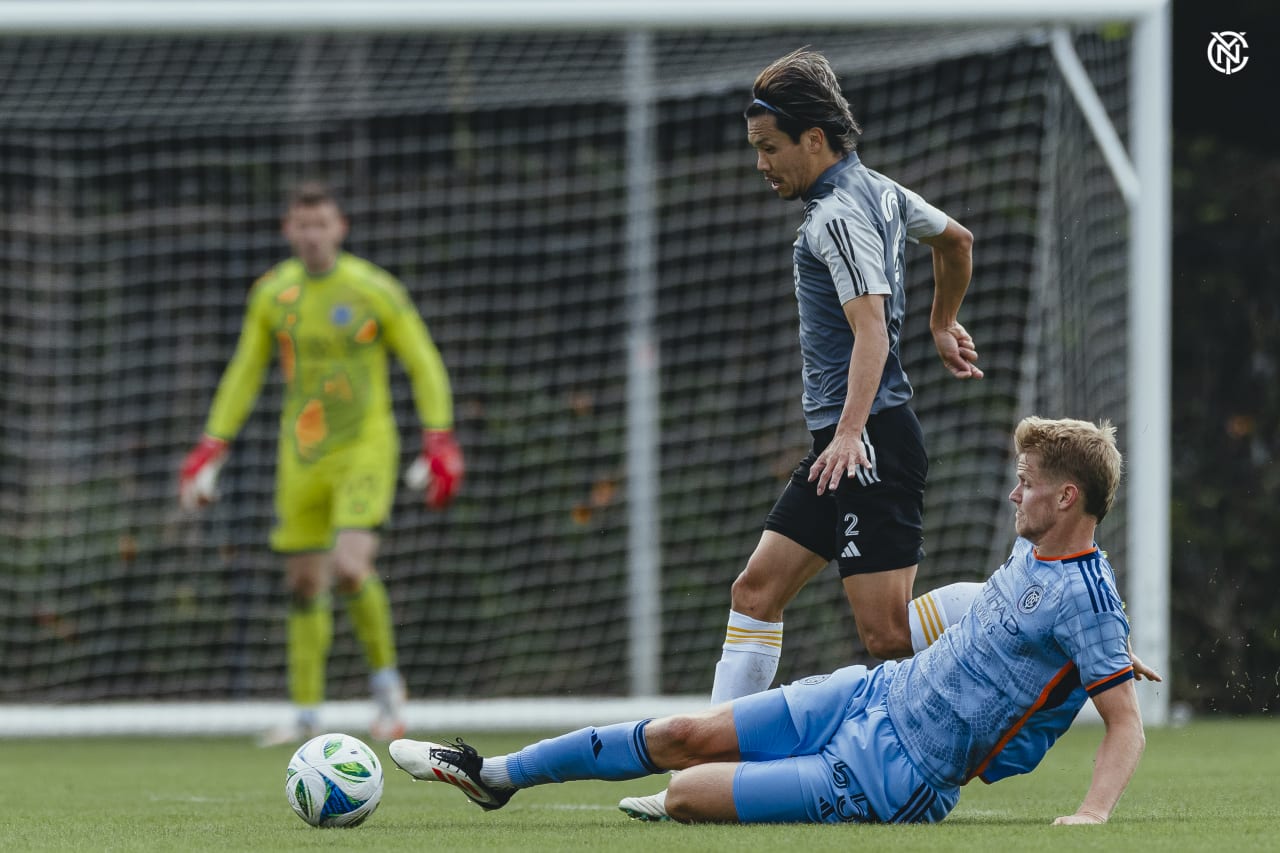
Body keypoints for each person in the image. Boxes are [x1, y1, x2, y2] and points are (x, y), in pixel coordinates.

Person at [390, 417, 1154, 826]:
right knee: (684, 735)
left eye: (1026, 485)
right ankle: (496, 776)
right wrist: (1100, 651)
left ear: (1066, 500)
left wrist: (1090, 814)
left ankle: (744, 792)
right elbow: (997, 621)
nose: (1012, 496)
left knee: (688, 793)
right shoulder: (1043, 565)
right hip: (870, 693)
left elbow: (1127, 724)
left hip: (896, 776)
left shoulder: (1087, 596)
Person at [615, 46, 986, 818]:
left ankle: (1016, 612)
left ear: (814, 139)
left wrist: (851, 431)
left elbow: (872, 333)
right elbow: (958, 240)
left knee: (885, 636)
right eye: (756, 149)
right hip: (846, 442)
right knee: (755, 591)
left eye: (770, 147)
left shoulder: (838, 213)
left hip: (870, 438)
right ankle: (701, 768)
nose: (762, 164)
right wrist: (944, 320)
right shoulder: (880, 190)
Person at [178, 182, 464, 746]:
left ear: (341, 227)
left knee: (351, 566)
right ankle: (307, 714)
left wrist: (439, 438)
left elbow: (422, 359)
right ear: (288, 230)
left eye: (322, 223)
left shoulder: (372, 289)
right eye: (302, 224)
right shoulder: (272, 295)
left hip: (365, 447)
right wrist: (212, 445)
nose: (312, 234)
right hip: (301, 454)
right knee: (304, 583)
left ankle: (386, 686)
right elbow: (244, 371)